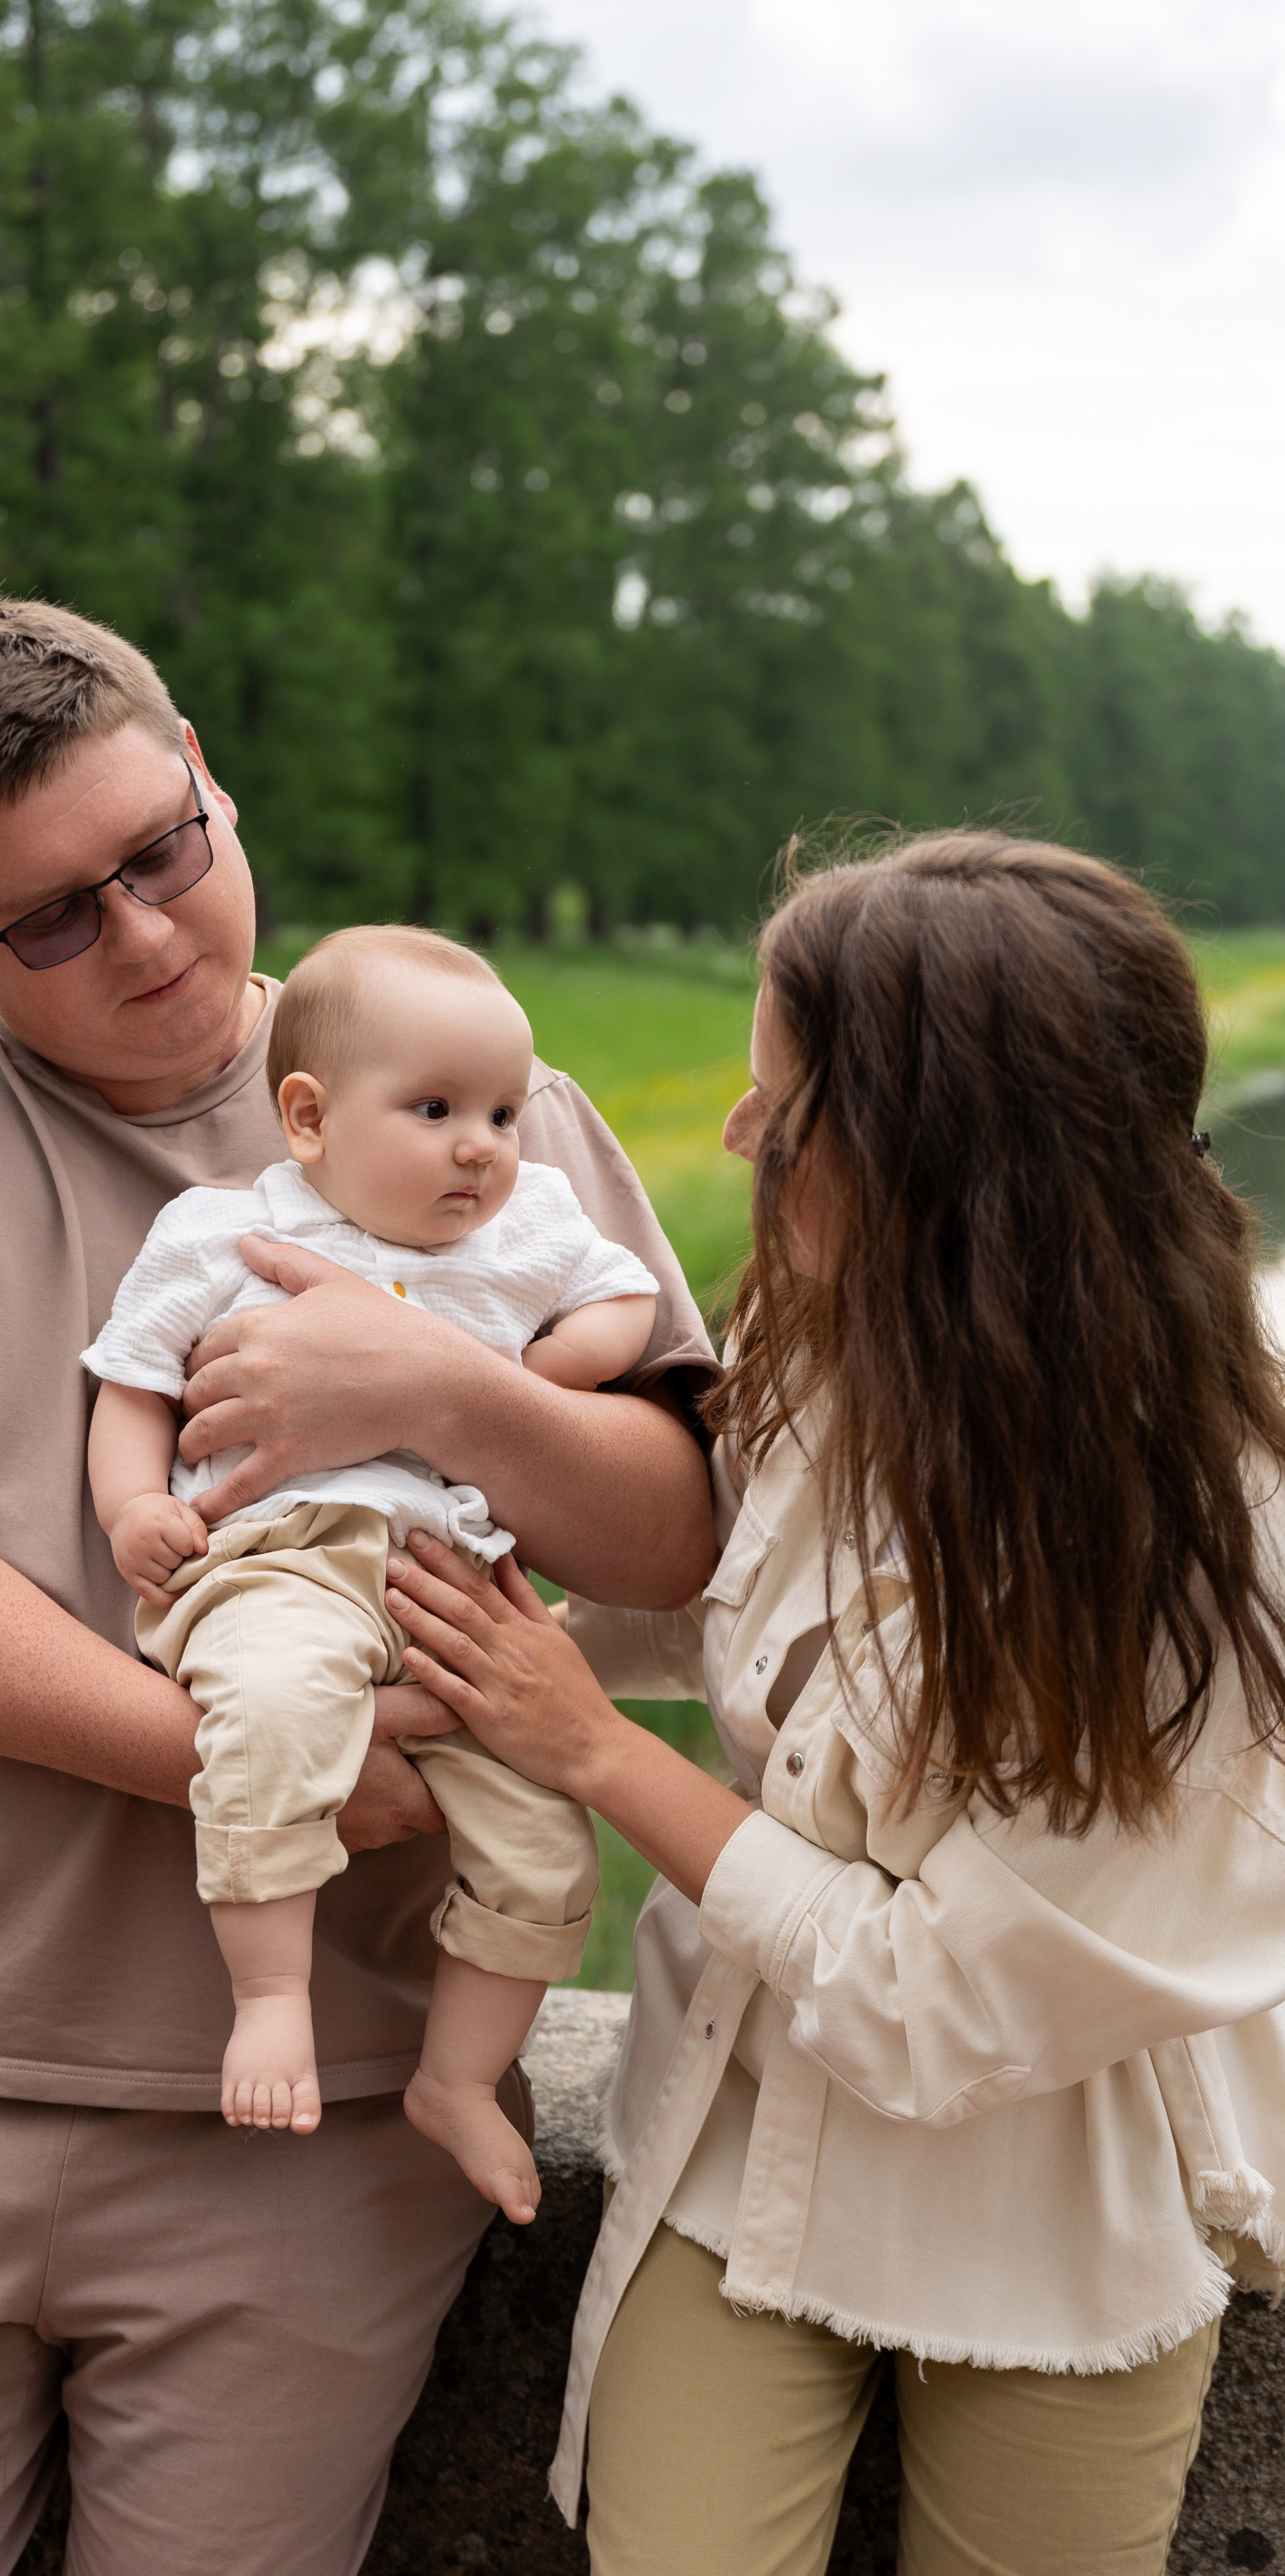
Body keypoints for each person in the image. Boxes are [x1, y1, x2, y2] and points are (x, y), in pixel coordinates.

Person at [0, 597, 716, 2576]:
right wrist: (251, 1762)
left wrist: (437, 1386)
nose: (150, 937)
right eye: (54, 918)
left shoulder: (486, 1103)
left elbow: (673, 1532)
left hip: (331, 2124)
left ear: (213, 785)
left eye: (164, 853)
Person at [382, 833, 1285, 2576]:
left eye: (785, 1117)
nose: (735, 1143)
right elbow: (735, 1618)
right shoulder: (836, 1344)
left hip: (1068, 2198)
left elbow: (940, 1995)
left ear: (948, 1164)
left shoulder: (1223, 1538)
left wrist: (587, 1748)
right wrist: (453, 1635)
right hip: (750, 2139)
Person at [85, 921, 658, 2217]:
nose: (485, 1145)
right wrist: (131, 1509)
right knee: (277, 1717)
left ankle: (458, 2075)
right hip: (277, 1557)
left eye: (507, 1112)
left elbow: (623, 1302)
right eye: (439, 1108)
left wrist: (520, 1376)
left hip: (446, 1577)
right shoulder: (226, 1233)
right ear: (309, 1116)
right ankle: (271, 1994)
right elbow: (130, 1381)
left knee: (541, 1839)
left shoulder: (533, 1224)